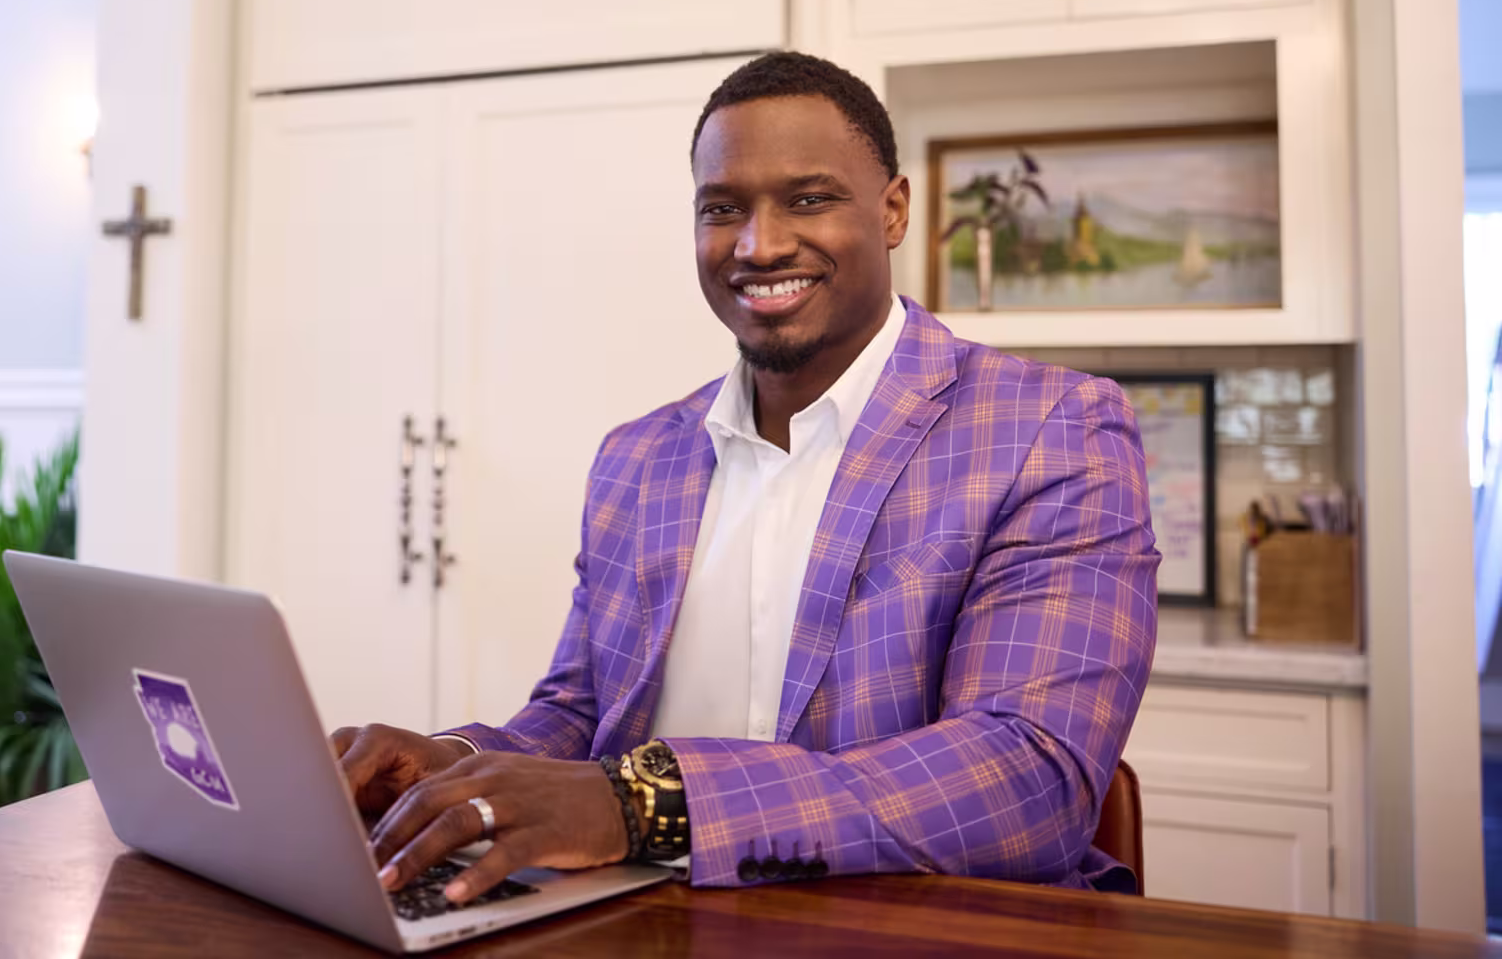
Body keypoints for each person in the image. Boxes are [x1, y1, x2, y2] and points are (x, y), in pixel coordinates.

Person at [334, 51, 1159, 905]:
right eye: (722, 209)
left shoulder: (1051, 430)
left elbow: (1026, 777)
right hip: (646, 918)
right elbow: (584, 718)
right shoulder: (637, 458)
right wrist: (456, 769)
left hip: (923, 926)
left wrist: (645, 806)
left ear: (893, 210)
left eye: (809, 199)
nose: (759, 245)